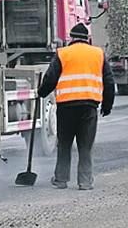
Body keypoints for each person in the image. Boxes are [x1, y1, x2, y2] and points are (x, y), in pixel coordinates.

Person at [37, 22, 115, 190]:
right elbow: (109, 81)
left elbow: (51, 78)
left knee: (64, 144)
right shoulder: (98, 54)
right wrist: (107, 105)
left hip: (66, 108)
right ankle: (85, 182)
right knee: (85, 146)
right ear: (87, 39)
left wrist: (42, 92)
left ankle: (61, 179)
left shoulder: (63, 53)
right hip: (89, 107)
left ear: (71, 38)